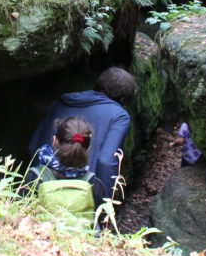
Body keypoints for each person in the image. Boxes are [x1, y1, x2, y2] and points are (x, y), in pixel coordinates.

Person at [28, 67, 135, 206]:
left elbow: (34, 145)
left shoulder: (60, 103)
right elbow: (106, 161)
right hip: (83, 194)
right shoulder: (119, 116)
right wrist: (104, 207)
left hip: (41, 186)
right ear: (122, 99)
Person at [25, 116, 101, 221]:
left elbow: (23, 215)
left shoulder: (36, 176)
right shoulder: (93, 182)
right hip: (81, 237)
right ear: (88, 149)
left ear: (54, 141)